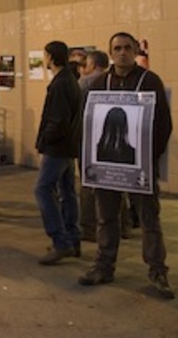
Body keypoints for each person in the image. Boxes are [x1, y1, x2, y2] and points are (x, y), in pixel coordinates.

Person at [78, 32, 174, 299]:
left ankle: (157, 270)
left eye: (127, 48)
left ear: (135, 51)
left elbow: (163, 124)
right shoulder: (99, 83)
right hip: (107, 165)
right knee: (106, 217)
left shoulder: (149, 81)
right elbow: (89, 124)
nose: (122, 52)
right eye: (117, 48)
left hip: (140, 166)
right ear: (110, 52)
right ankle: (103, 265)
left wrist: (149, 157)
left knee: (148, 220)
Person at [34, 41, 83, 264]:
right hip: (68, 145)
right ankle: (72, 239)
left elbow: (58, 119)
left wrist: (45, 141)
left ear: (51, 57)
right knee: (66, 191)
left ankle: (60, 241)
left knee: (43, 189)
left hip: (58, 147)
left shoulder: (61, 84)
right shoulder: (69, 81)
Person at [79, 49, 109, 241]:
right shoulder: (112, 80)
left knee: (87, 183)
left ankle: (88, 228)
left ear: (92, 64)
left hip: (89, 138)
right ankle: (124, 226)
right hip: (110, 140)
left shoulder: (85, 82)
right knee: (113, 182)